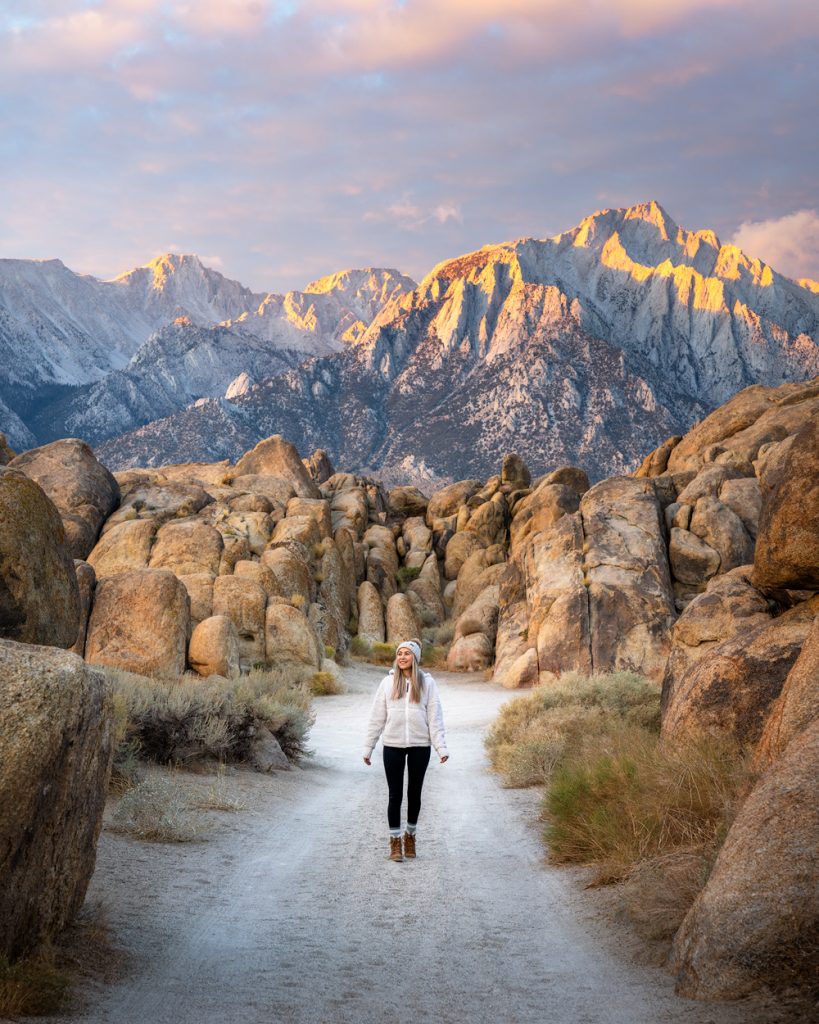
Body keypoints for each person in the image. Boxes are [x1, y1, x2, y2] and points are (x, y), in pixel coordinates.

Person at [363, 638, 449, 862]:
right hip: (392, 745)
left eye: (407, 653)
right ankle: (395, 843)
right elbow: (376, 718)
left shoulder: (427, 683)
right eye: (399, 653)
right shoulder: (387, 683)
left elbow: (435, 717)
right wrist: (368, 747)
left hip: (420, 746)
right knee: (395, 795)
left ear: (415, 658)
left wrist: (441, 747)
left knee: (414, 794)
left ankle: (410, 836)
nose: (402, 657)